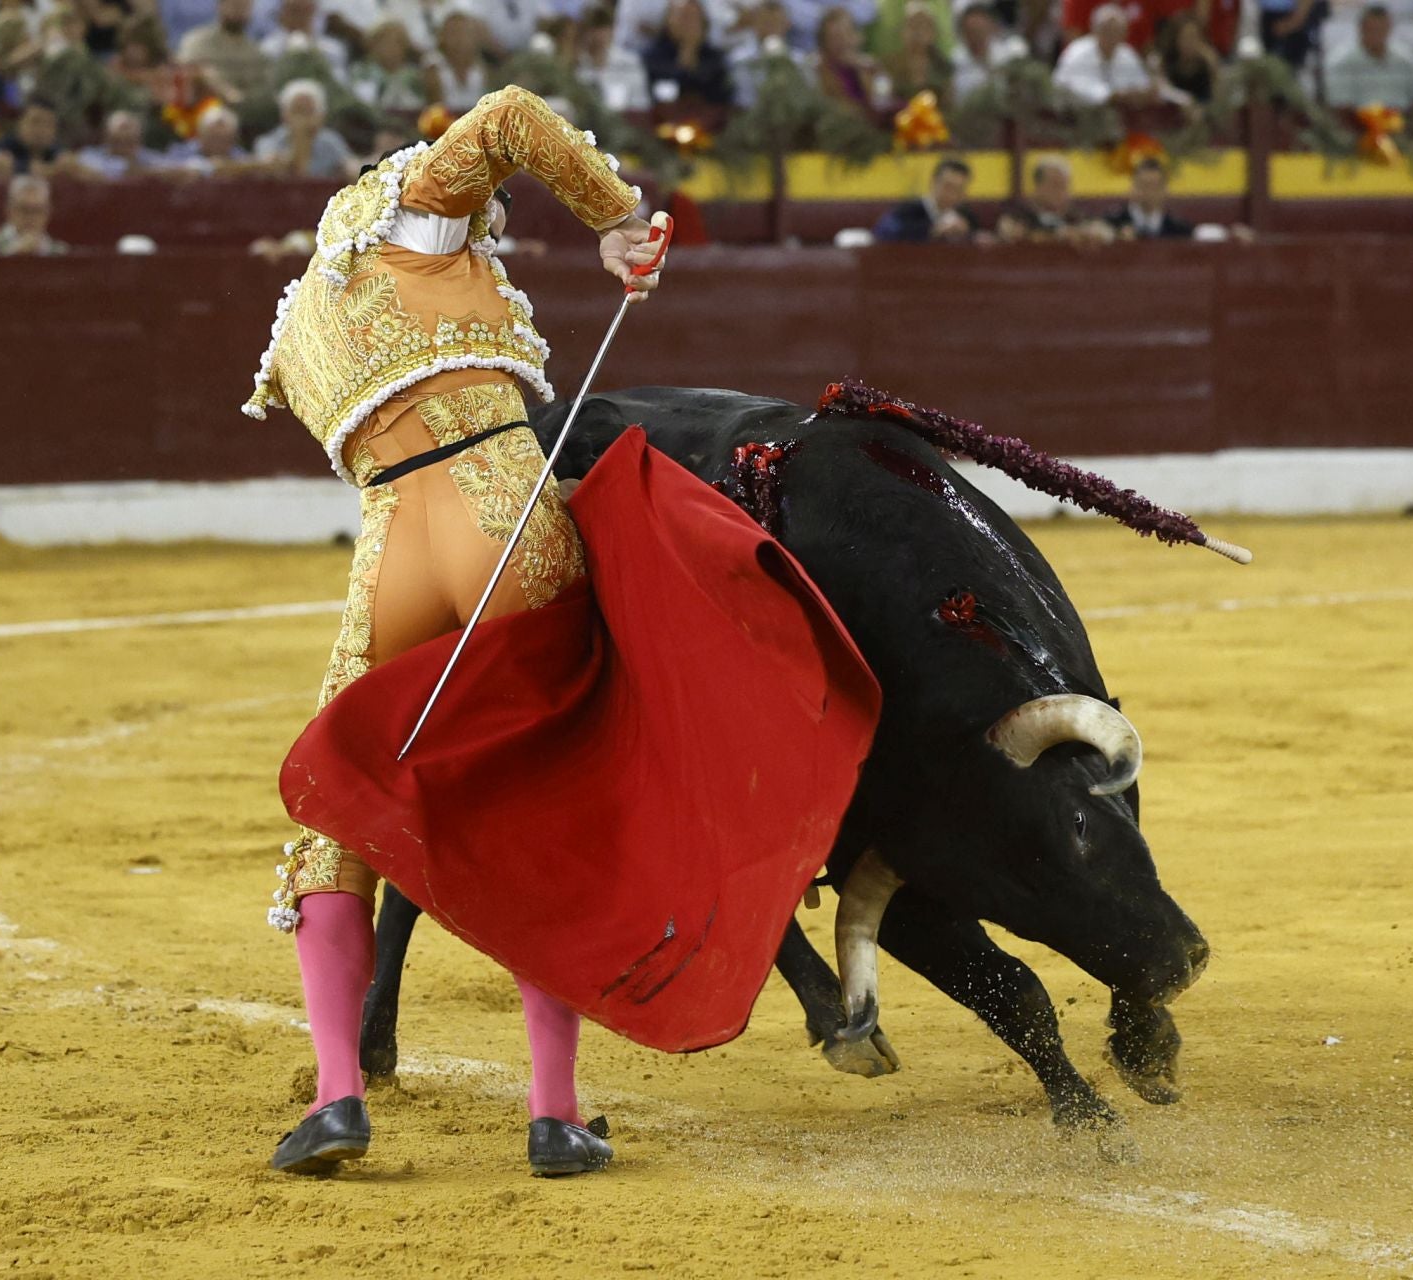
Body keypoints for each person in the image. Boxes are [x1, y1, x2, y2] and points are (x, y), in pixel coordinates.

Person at [244, 84, 875, 1181]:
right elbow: (507, 116)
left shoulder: (304, 318)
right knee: (556, 790)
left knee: (342, 798)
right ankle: (553, 1112)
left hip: (387, 550)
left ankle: (336, 1094)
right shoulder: (416, 213)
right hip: (498, 510)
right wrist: (619, 216)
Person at [1053, 4, 1162, 105]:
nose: (1111, 36)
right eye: (1106, 30)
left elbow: (1141, 85)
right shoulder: (1078, 52)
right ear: (1094, 30)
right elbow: (1082, 89)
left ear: (1124, 34)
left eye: (1116, 31)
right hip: (1073, 116)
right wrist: (1116, 95)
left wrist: (1146, 90)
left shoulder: (1127, 54)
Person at [254, 76, 357, 176]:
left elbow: (352, 168)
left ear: (321, 116)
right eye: (298, 111)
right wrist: (300, 140)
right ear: (284, 115)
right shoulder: (269, 141)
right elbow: (271, 167)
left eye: (309, 111)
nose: (303, 118)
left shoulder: (331, 141)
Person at [1326, 3, 1413, 107]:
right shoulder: (1342, 62)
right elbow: (1341, 105)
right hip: (1358, 119)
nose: (1377, 35)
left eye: (1381, 29)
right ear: (1361, 28)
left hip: (1401, 117)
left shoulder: (1405, 60)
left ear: (1390, 28)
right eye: (1372, 29)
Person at [642, 0, 735, 104]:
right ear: (668, 20)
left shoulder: (716, 58)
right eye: (684, 17)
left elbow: (719, 97)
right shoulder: (651, 58)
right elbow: (662, 97)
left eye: (694, 18)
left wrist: (691, 49)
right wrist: (687, 51)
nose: (689, 24)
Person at [178, 0, 274, 100]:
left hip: (246, 109)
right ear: (220, 5)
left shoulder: (256, 53)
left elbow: (266, 88)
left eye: (245, 6)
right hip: (204, 107)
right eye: (235, 4)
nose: (239, 10)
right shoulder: (197, 42)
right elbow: (184, 71)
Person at [873, 154, 977, 241]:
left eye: (959, 190)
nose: (952, 195)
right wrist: (933, 230)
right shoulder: (909, 210)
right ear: (933, 183)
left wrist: (971, 236)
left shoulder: (966, 216)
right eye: (948, 187)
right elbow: (883, 232)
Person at [1014, 154, 1115, 243]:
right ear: (1037, 187)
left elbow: (1103, 230)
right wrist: (1058, 234)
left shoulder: (1076, 216)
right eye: (1055, 185)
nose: (1061, 192)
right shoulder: (1020, 216)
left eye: (1065, 186)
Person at [573, 5, 652, 111]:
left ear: (612, 30)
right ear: (583, 33)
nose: (598, 35)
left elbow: (641, 103)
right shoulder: (575, 64)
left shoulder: (629, 63)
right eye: (593, 29)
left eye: (603, 28)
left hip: (624, 121)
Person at [0, 174, 71, 253]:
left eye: (37, 210)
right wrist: (13, 254)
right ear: (9, 210)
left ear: (47, 213)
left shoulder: (60, 252)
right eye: (24, 209)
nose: (31, 217)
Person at [348, 18, 429, 115]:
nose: (391, 47)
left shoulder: (415, 76)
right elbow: (362, 105)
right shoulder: (362, 72)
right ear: (372, 46)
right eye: (384, 42)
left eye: (397, 42)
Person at [813, 6, 884, 114]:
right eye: (834, 37)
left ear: (857, 37)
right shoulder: (818, 71)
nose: (843, 42)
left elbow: (883, 102)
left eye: (847, 34)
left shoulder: (869, 66)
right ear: (824, 43)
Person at [1106, 155, 1195, 237]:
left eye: (1154, 187)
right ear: (1132, 188)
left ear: (1165, 191)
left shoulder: (1179, 231)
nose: (1148, 192)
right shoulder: (1110, 225)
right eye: (1143, 185)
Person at [951, 4, 1026, 101]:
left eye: (979, 30)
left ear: (991, 27)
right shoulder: (955, 61)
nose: (975, 37)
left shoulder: (1013, 49)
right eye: (970, 32)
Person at [423, 7, 492, 112]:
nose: (459, 39)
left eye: (464, 33)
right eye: (453, 33)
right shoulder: (434, 66)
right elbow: (434, 110)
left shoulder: (482, 68)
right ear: (442, 37)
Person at [884, 0, 952, 102]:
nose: (917, 32)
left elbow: (949, 103)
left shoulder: (943, 67)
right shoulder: (888, 66)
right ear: (902, 32)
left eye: (923, 26)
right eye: (911, 25)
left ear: (932, 32)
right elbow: (883, 102)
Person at [260, 0, 348, 74]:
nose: (300, 16)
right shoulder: (268, 49)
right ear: (284, 11)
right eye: (295, 10)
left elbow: (339, 81)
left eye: (305, 9)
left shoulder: (332, 50)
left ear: (313, 11)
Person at [77, 108, 172, 176]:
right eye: (118, 141)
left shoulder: (146, 156)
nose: (123, 147)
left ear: (139, 140)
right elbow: (74, 166)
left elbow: (171, 169)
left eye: (129, 141)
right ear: (107, 138)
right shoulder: (91, 156)